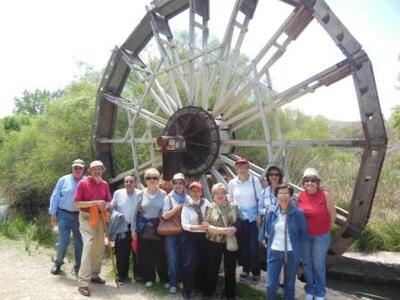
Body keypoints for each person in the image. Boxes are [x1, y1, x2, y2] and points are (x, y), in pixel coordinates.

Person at [297, 168, 336, 300]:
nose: (309, 182)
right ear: (304, 183)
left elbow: (333, 215)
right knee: (307, 263)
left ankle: (320, 292)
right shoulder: (300, 196)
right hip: (305, 236)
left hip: (321, 236)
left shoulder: (325, 195)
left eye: (312, 180)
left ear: (317, 182)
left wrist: (326, 229)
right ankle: (310, 290)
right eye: (306, 180)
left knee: (318, 264)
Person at [74, 160, 112, 297]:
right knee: (88, 246)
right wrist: (95, 203)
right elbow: (77, 204)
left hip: (100, 218)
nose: (97, 171)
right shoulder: (83, 183)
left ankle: (94, 275)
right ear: (90, 171)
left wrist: (106, 205)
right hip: (86, 217)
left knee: (99, 247)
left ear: (102, 171)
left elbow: (108, 200)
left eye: (99, 169)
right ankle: (83, 283)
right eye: (94, 169)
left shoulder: (104, 184)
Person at [265, 183, 307, 300]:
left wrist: (301, 255)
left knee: (289, 285)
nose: (283, 195)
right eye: (281, 193)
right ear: (276, 195)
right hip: (274, 251)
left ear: (291, 196)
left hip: (291, 253)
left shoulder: (298, 213)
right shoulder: (271, 212)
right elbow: (267, 231)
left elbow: (303, 235)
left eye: (286, 193)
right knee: (270, 285)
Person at [131, 168, 169, 289]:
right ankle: (149, 278)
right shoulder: (140, 194)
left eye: (154, 178)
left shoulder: (163, 194)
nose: (152, 180)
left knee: (161, 255)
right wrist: (133, 230)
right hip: (144, 229)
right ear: (145, 179)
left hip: (158, 228)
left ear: (158, 179)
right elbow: (134, 213)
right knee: (146, 256)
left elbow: (166, 212)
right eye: (149, 178)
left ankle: (164, 279)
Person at [228, 157, 263, 283]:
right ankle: (245, 269)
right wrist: (233, 215)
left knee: (253, 246)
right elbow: (231, 200)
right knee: (243, 246)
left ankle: (256, 271)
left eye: (245, 167)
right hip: (240, 219)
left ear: (248, 168)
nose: (242, 170)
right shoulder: (232, 183)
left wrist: (259, 214)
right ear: (236, 169)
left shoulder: (255, 181)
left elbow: (260, 199)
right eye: (240, 167)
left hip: (253, 219)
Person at [48, 159, 85, 275]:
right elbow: (55, 196)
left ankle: (78, 266)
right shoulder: (63, 179)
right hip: (64, 214)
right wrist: (52, 213)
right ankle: (58, 264)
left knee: (79, 243)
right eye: (76, 168)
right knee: (63, 241)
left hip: (80, 216)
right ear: (72, 168)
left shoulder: (87, 181)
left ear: (83, 169)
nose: (78, 170)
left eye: (80, 168)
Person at [204, 183, 238, 300]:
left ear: (226, 194)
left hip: (229, 243)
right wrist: (224, 230)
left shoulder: (233, 206)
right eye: (217, 193)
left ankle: (230, 294)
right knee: (212, 268)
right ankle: (208, 292)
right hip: (213, 242)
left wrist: (235, 228)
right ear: (213, 196)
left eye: (222, 192)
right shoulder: (209, 208)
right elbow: (207, 227)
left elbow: (238, 222)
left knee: (230, 268)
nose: (220, 195)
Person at [181, 181, 210, 299]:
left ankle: (200, 287)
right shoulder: (186, 206)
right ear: (190, 192)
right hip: (191, 237)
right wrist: (199, 227)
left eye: (198, 191)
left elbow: (211, 216)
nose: (195, 193)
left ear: (201, 192)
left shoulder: (206, 203)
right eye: (193, 191)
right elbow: (184, 225)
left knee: (203, 262)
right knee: (191, 262)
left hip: (204, 237)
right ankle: (187, 290)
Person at [110, 174, 142, 284]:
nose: (128, 183)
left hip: (136, 227)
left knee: (137, 252)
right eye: (126, 181)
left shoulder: (140, 194)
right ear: (124, 183)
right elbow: (112, 207)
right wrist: (116, 214)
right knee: (121, 253)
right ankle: (122, 276)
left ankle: (138, 275)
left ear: (135, 182)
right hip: (122, 227)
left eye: (131, 181)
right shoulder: (118, 193)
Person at [162, 173, 190, 294]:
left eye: (181, 183)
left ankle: (183, 280)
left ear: (184, 184)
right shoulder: (168, 198)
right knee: (172, 258)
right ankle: (174, 281)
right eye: (176, 183)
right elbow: (165, 215)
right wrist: (178, 207)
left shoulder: (188, 198)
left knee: (184, 257)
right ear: (172, 184)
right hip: (171, 232)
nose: (178, 185)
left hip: (185, 232)